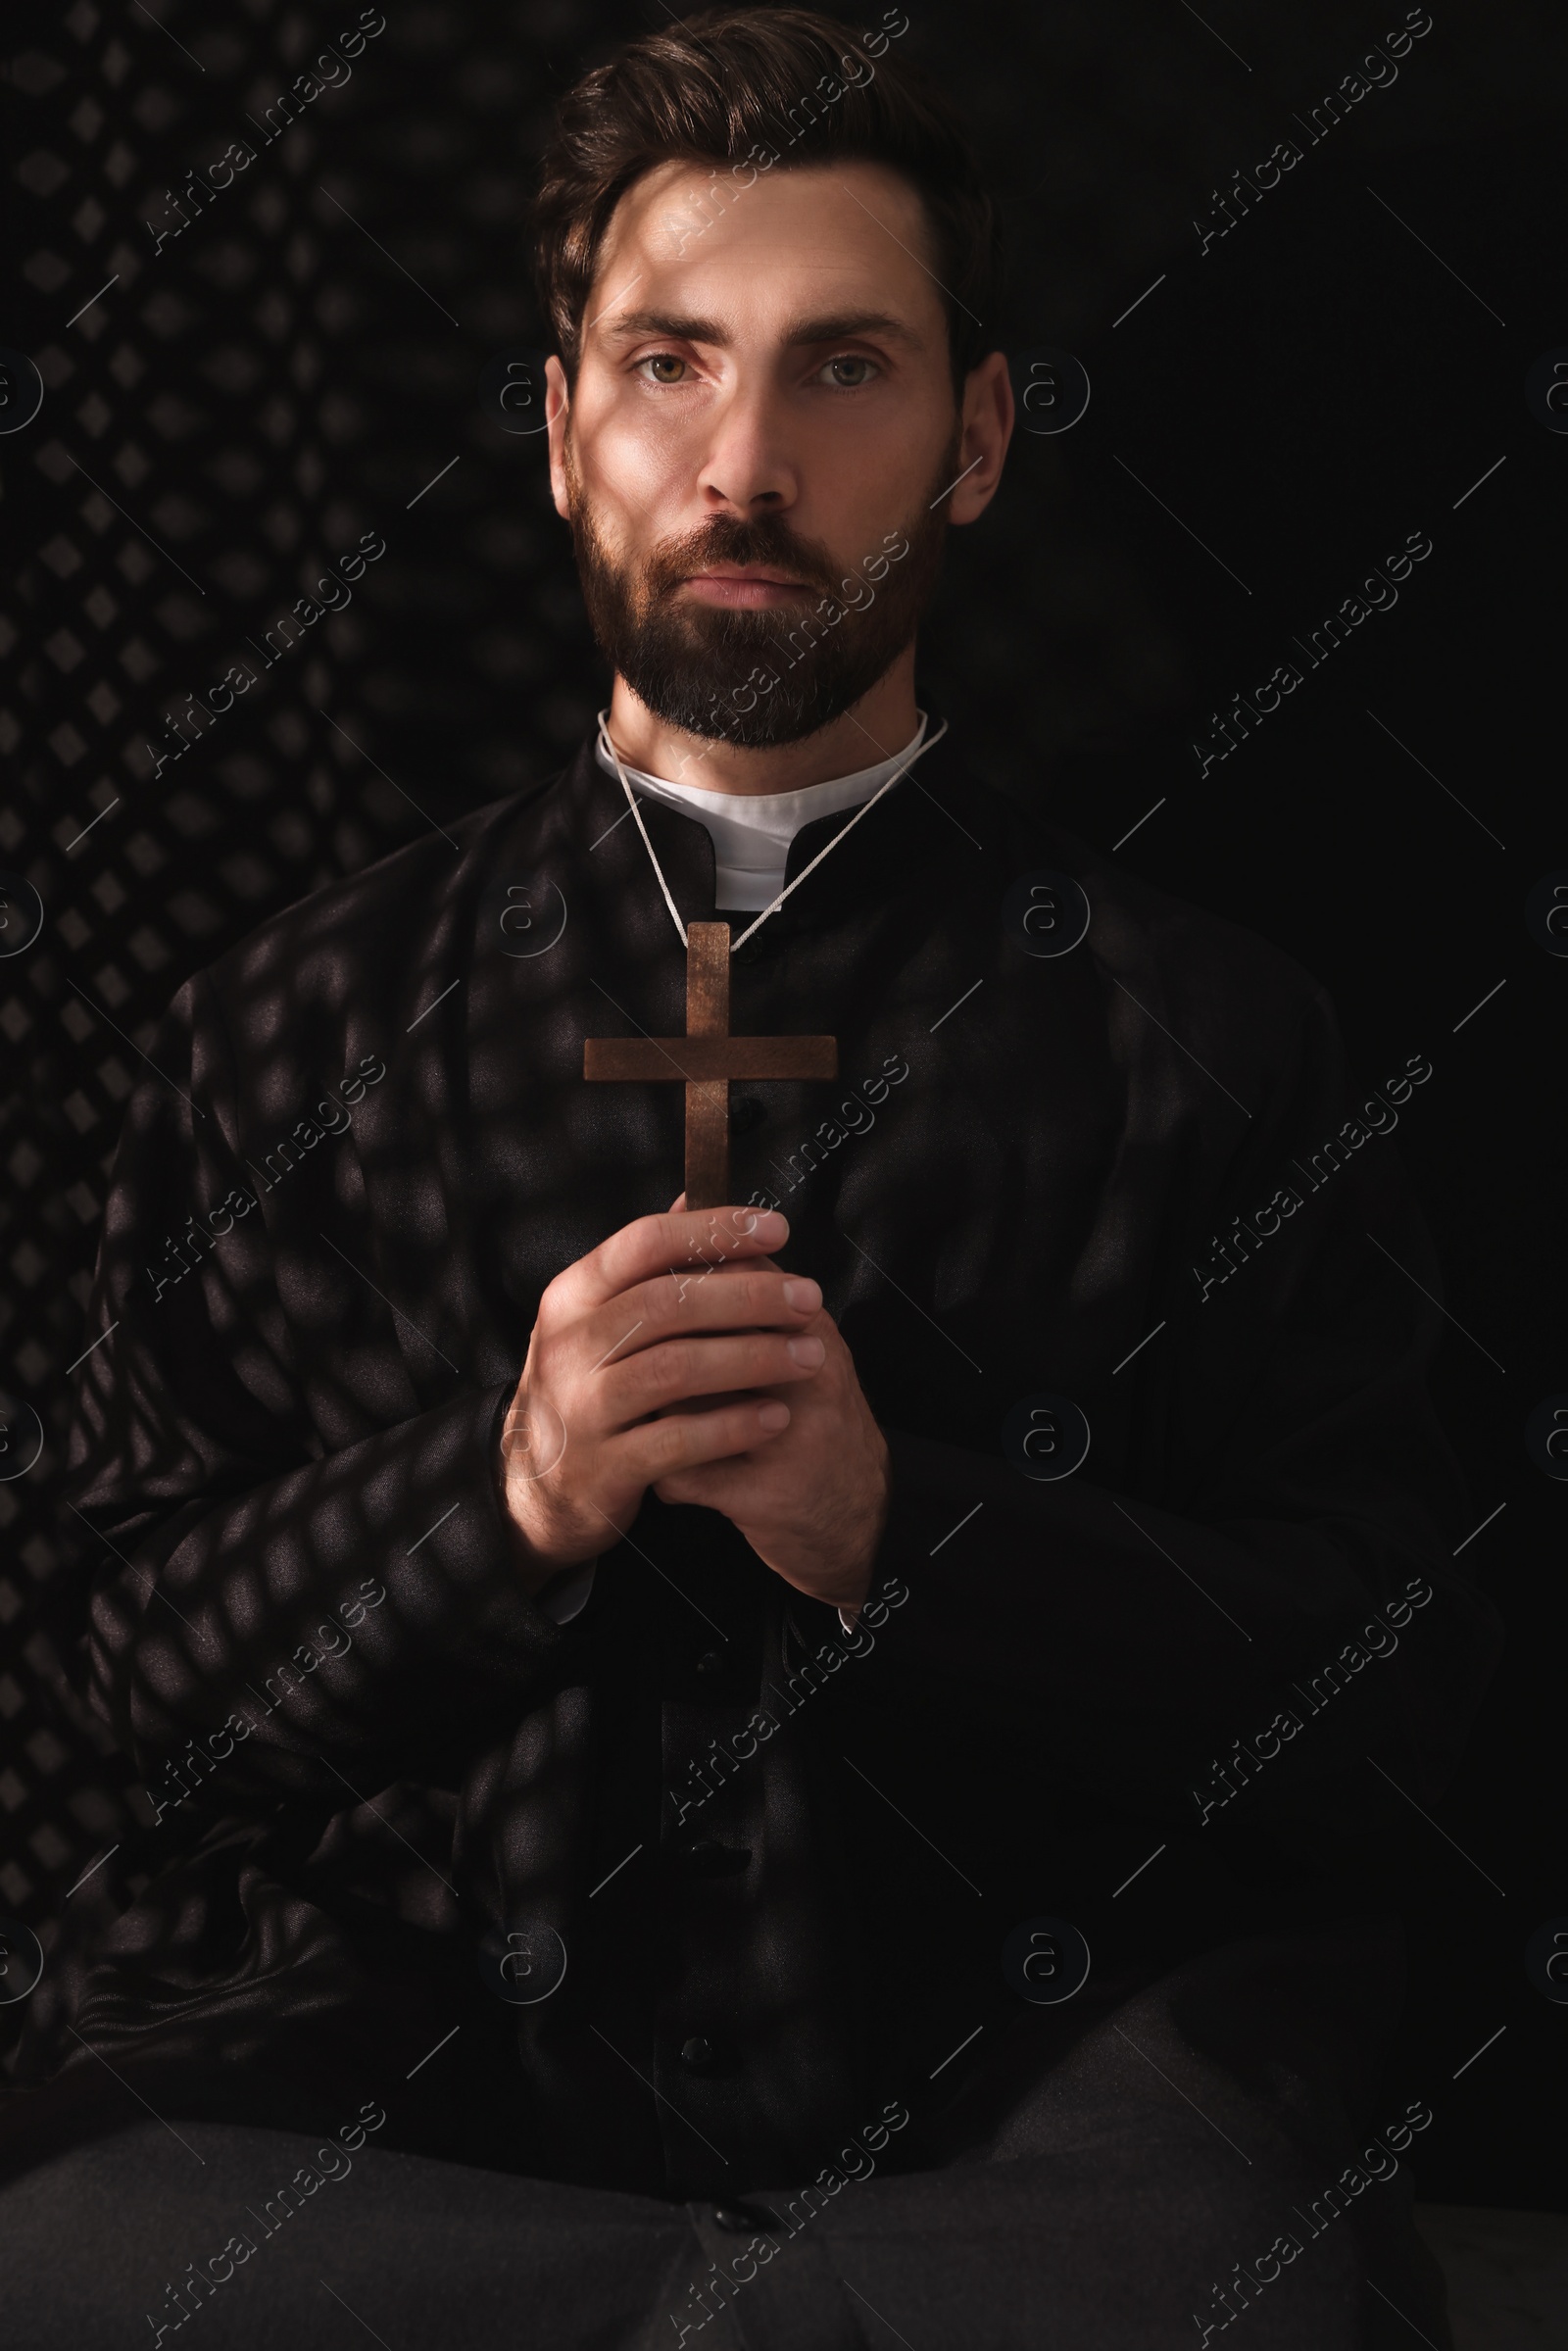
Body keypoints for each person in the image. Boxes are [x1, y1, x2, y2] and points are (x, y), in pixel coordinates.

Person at [3, 9, 1499, 2344]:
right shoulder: (292, 1026)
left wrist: (901, 1533)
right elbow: (109, 1659)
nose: (742, 461)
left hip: (1019, 2139)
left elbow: (1400, 1704)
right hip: (385, 2124)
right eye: (669, 365)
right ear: (561, 428)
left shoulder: (1210, 1042)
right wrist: (499, 1493)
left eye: (841, 372)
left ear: (977, 437)